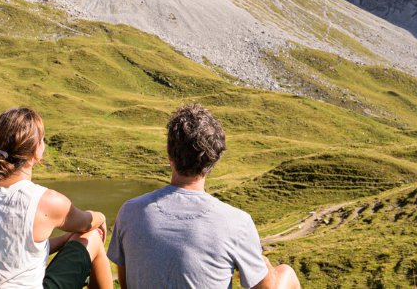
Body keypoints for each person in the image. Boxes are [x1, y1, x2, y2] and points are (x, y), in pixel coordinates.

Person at [108, 103, 301, 289]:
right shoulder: (237, 222)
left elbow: (125, 281)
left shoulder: (130, 211)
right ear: (215, 158)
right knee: (285, 273)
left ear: (169, 152)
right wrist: (263, 262)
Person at [0, 108, 113, 289]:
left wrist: (66, 238)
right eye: (42, 140)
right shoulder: (46, 201)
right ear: (36, 150)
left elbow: (20, 251)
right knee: (92, 237)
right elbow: (87, 224)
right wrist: (101, 217)